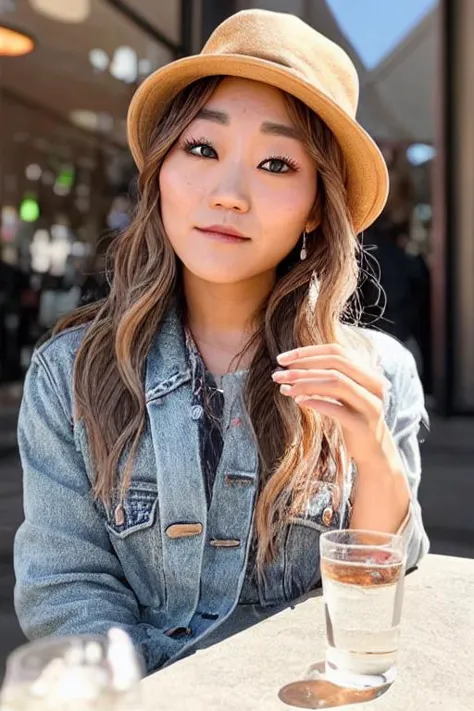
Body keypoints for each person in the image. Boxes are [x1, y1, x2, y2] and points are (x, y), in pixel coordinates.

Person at [14, 9, 429, 676]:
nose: (230, 194)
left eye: (275, 163)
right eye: (202, 150)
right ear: (162, 171)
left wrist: (374, 454)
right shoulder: (70, 374)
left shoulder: (378, 372)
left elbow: (376, 589)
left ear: (316, 206)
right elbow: (67, 589)